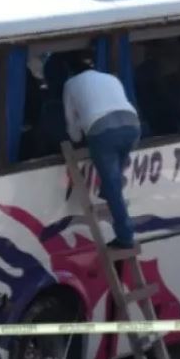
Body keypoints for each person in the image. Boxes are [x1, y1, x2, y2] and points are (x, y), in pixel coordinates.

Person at [63, 58, 140, 249]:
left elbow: (71, 121)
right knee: (113, 179)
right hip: (132, 125)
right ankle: (108, 191)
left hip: (102, 130)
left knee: (113, 184)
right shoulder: (110, 78)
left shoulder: (70, 84)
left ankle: (125, 236)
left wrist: (76, 138)